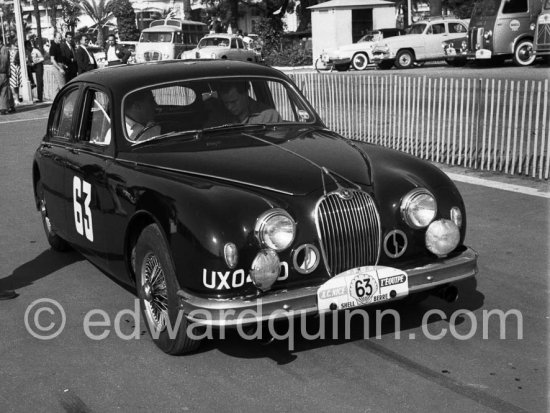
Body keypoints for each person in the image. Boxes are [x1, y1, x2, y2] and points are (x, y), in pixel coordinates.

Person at [0, 38, 15, 114]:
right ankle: (7, 107)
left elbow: (6, 61)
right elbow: (7, 62)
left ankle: (4, 108)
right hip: (5, 73)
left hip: (3, 73)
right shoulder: (5, 49)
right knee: (5, 91)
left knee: (5, 91)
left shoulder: (4, 50)